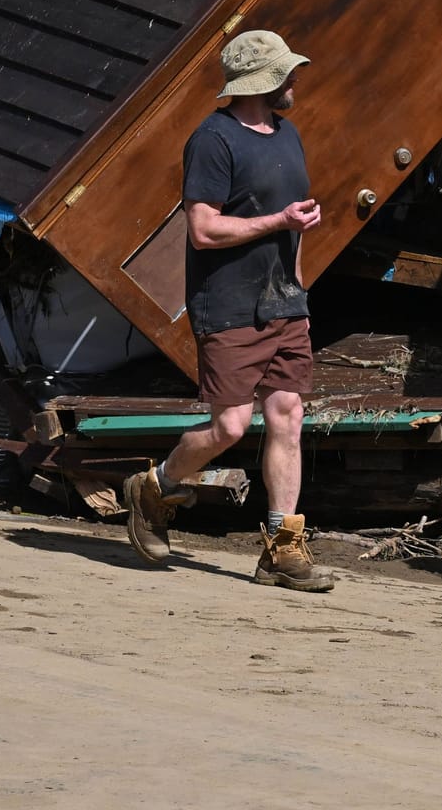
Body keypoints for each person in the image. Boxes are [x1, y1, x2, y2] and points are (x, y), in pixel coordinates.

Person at [122, 29, 334, 592]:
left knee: (288, 414)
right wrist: (278, 223)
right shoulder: (213, 140)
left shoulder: (287, 135)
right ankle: (154, 486)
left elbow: (297, 224)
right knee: (230, 426)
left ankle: (282, 550)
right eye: (288, 72)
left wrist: (300, 291)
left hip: (285, 304)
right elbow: (204, 229)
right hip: (230, 304)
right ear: (263, 81)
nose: (296, 80)